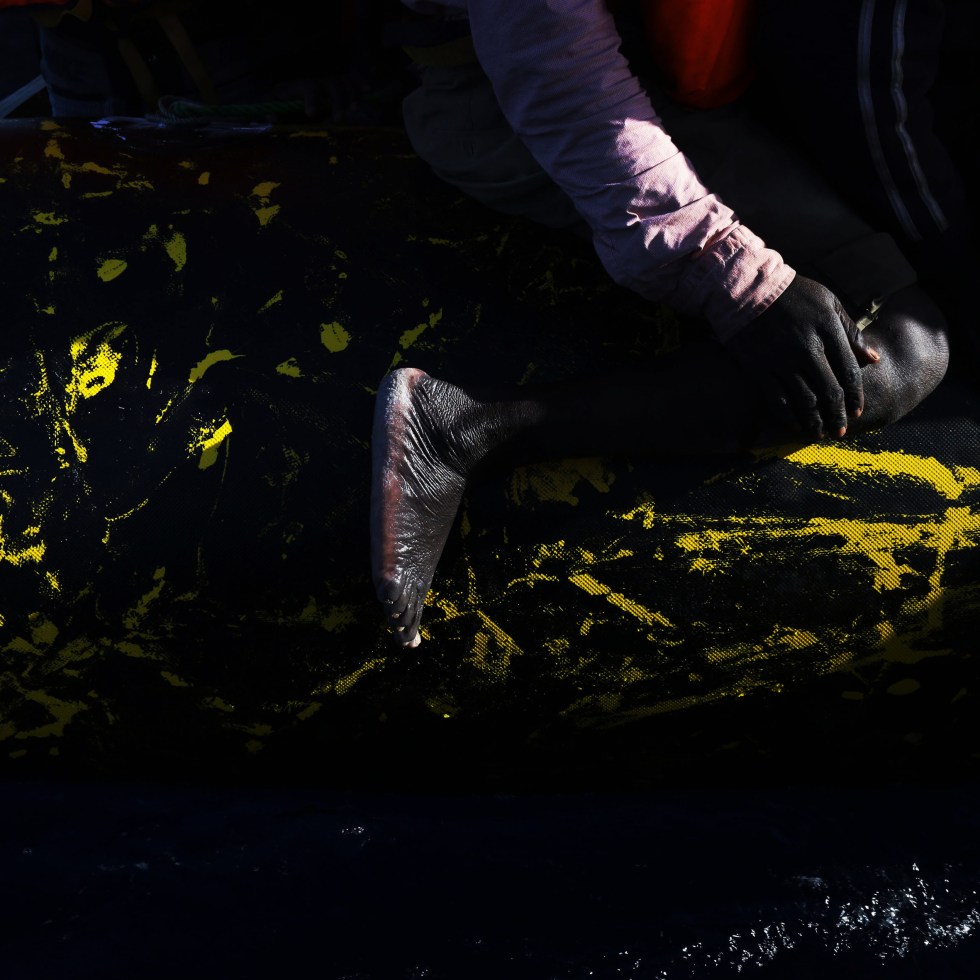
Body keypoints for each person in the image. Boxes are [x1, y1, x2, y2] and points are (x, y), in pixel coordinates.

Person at [371, 0, 972, 647]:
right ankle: (464, 428)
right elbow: (554, 69)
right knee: (907, 346)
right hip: (520, 105)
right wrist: (736, 276)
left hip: (668, 84)